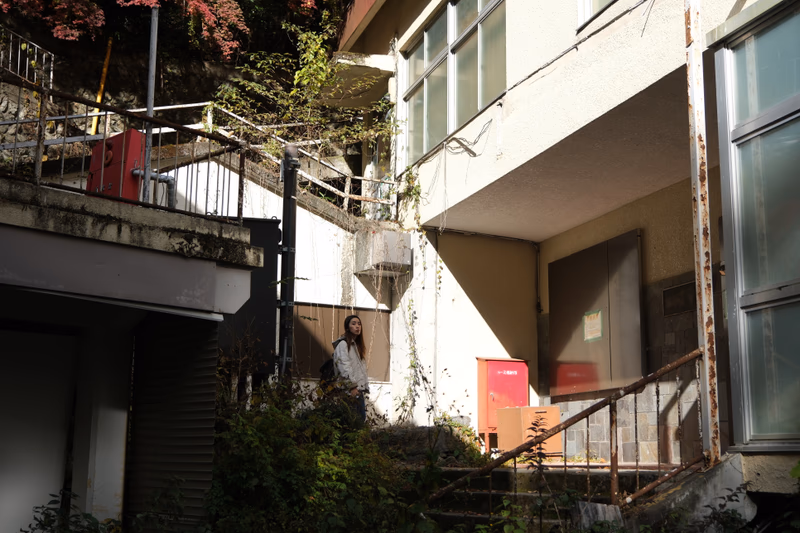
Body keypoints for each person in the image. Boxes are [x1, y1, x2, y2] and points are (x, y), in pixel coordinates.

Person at [332, 315, 369, 422]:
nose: (357, 326)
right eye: (353, 324)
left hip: (358, 389)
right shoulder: (343, 344)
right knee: (352, 420)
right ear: (347, 327)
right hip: (349, 390)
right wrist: (352, 387)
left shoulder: (357, 346)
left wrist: (363, 386)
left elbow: (360, 369)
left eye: (359, 323)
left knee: (359, 420)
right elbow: (344, 366)